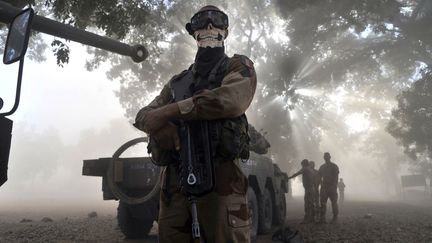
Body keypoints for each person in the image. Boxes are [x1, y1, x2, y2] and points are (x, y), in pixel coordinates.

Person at [134, 5, 257, 243]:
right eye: (202, 22)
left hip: (221, 189)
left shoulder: (237, 67)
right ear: (193, 32)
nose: (210, 27)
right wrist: (160, 128)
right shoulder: (177, 82)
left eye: (217, 22)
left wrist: (171, 111)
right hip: (175, 189)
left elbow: (229, 100)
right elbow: (144, 115)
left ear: (226, 31)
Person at [288, 159, 315, 223]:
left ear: (304, 164)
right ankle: (312, 218)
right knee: (311, 204)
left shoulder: (305, 169)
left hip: (308, 189)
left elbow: (297, 173)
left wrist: (289, 177)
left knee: (307, 204)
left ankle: (307, 218)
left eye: (302, 164)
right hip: (312, 188)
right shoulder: (311, 169)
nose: (301, 166)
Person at [318, 152, 339, 223]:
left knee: (334, 203)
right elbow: (319, 176)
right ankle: (322, 218)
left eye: (327, 157)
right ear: (324, 158)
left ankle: (335, 217)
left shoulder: (334, 166)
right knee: (323, 203)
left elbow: (336, 177)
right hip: (324, 187)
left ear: (330, 157)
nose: (326, 158)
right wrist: (321, 183)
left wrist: (334, 186)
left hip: (331, 187)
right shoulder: (322, 167)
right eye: (325, 157)